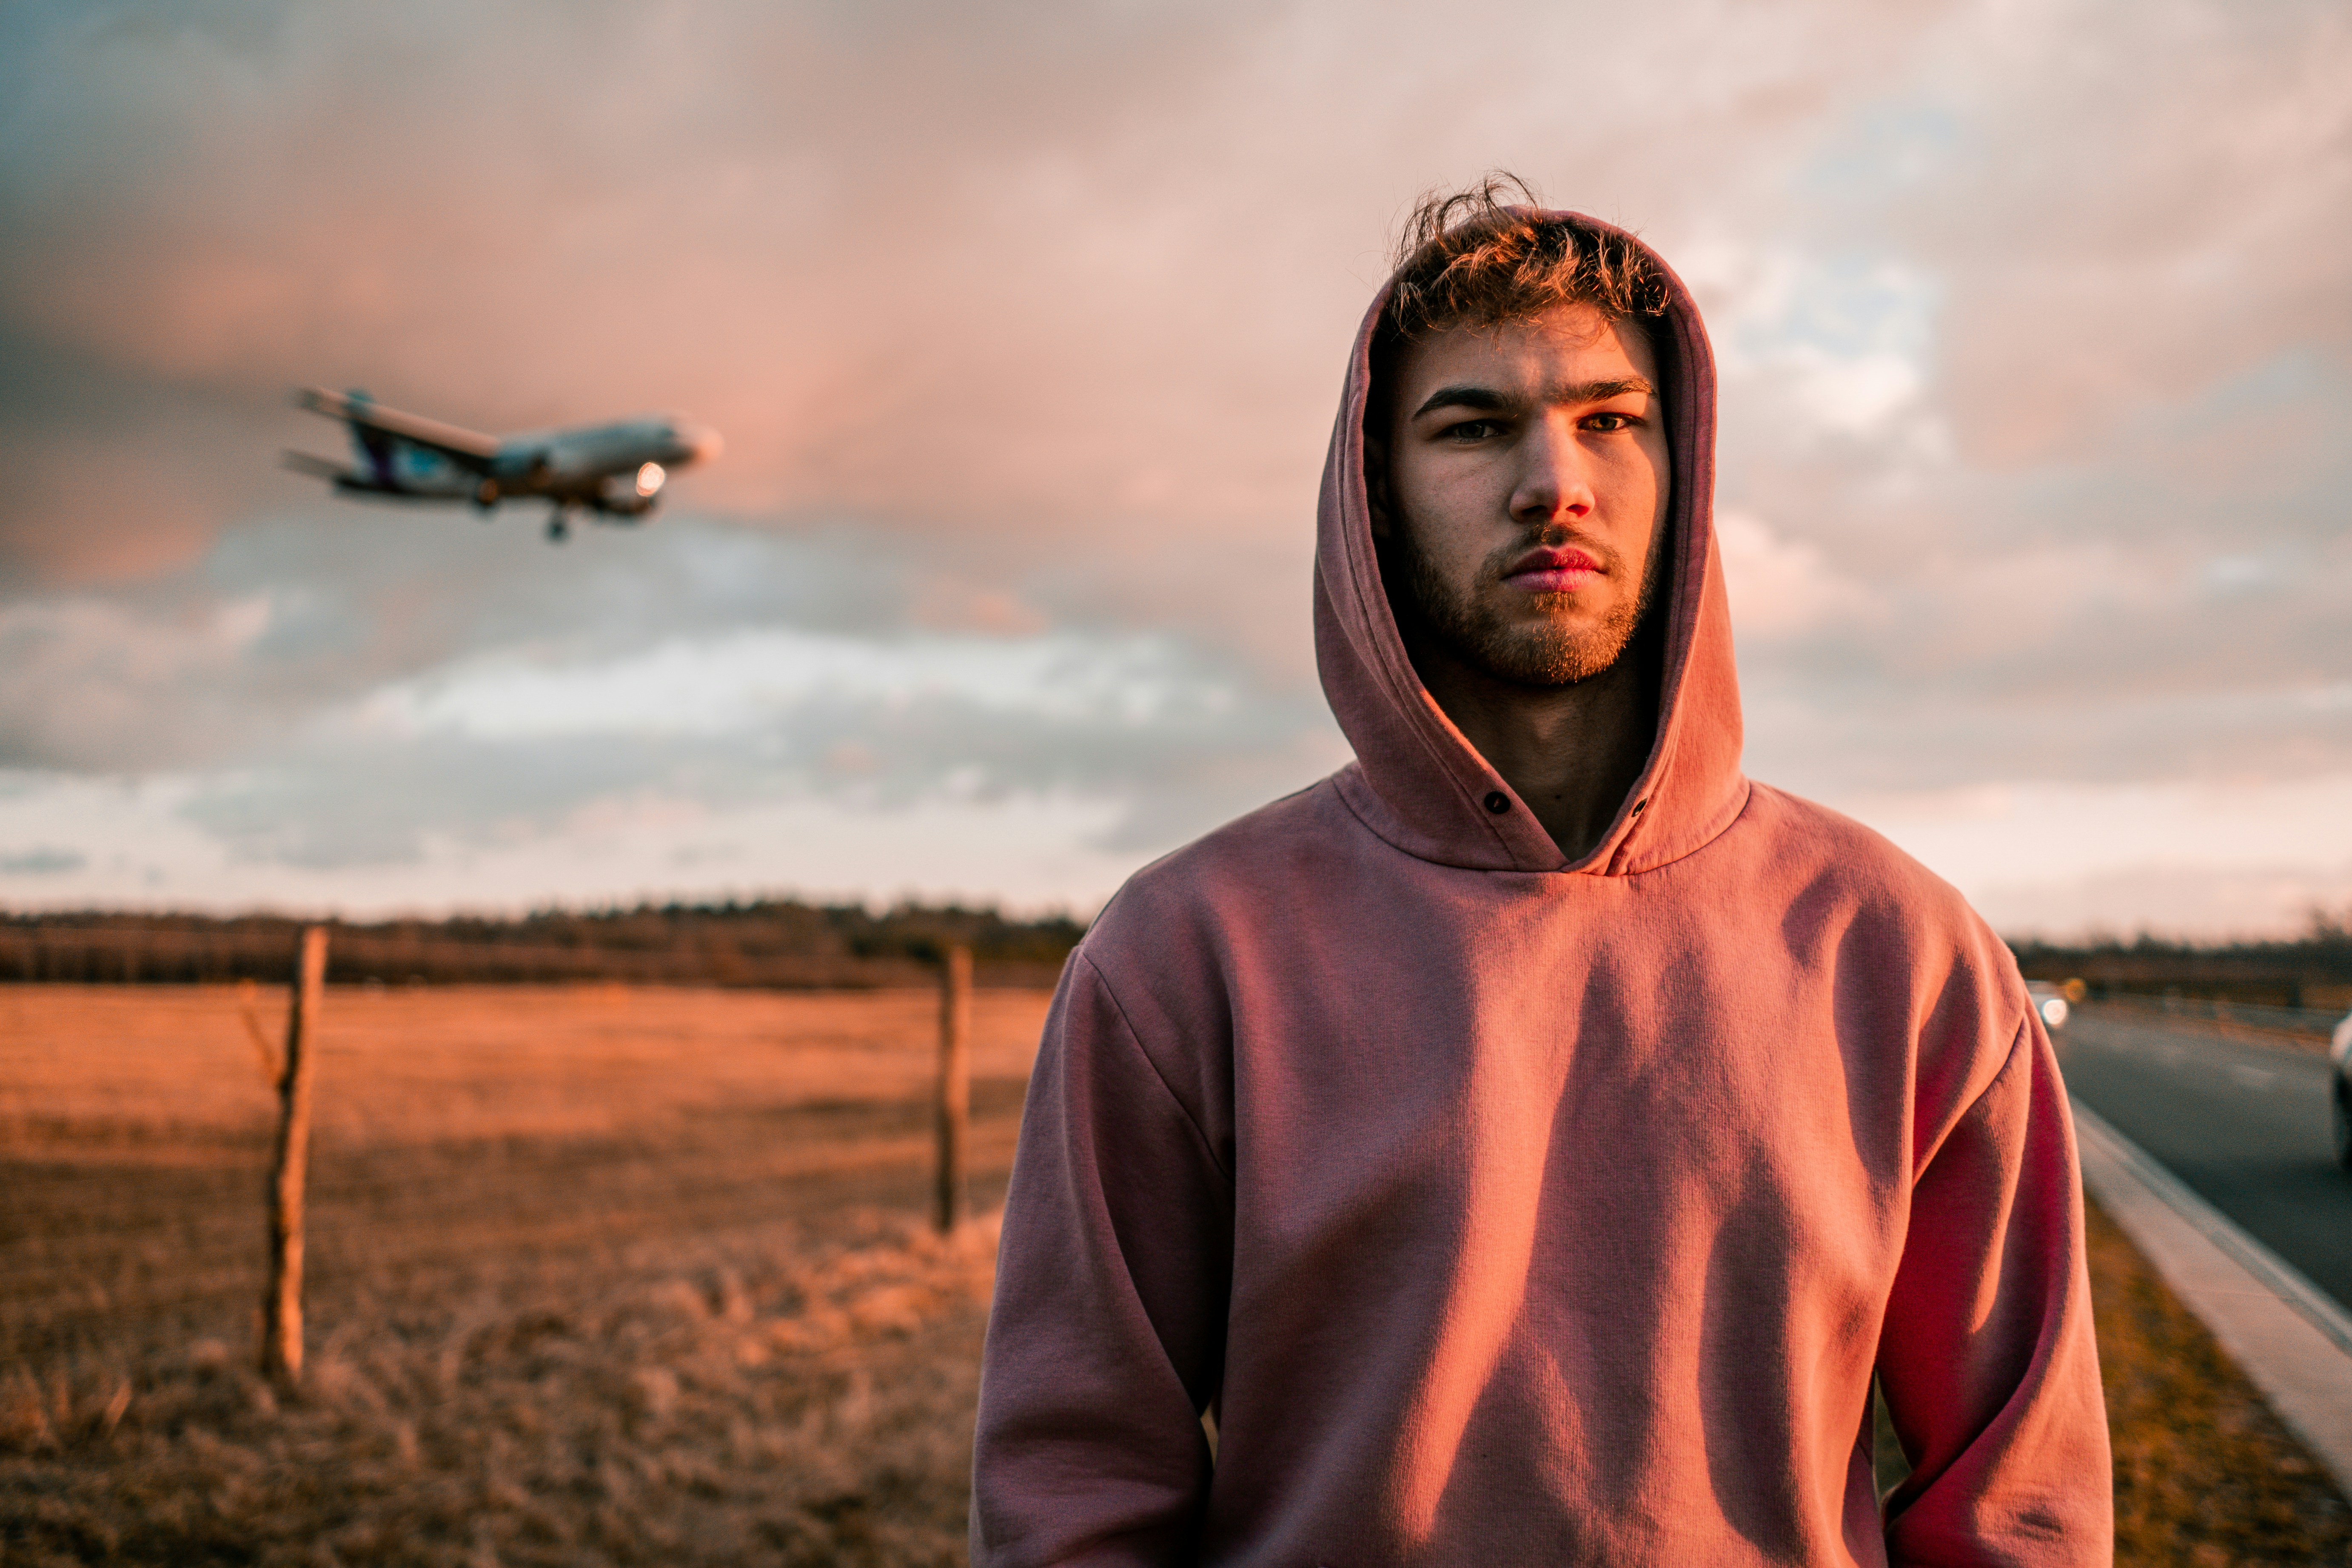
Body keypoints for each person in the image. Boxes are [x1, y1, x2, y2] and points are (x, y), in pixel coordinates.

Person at [970, 178, 2112, 1566]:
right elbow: (1074, 1492)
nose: (1552, 482)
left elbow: (2020, 1501)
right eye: (1471, 427)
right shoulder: (1183, 956)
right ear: (1372, 497)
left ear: (1679, 476)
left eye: (1609, 422)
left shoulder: (1902, 953)